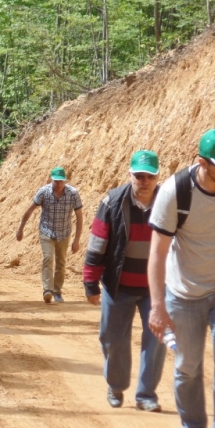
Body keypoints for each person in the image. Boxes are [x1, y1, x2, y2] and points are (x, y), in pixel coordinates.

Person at [148, 128, 215, 428]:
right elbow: (157, 253)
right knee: (187, 366)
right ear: (202, 162)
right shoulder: (176, 192)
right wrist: (157, 306)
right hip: (184, 291)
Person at [83, 150, 165, 412]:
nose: (144, 181)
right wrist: (90, 282)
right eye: (139, 175)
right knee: (112, 338)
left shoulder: (169, 202)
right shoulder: (112, 201)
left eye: (149, 176)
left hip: (157, 288)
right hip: (118, 285)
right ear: (130, 174)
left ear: (157, 176)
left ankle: (146, 394)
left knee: (157, 340)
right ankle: (116, 386)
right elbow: (98, 242)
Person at [16, 166, 84, 303]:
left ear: (65, 181)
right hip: (46, 231)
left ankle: (57, 291)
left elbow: (79, 217)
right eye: (55, 181)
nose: (58, 184)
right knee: (48, 258)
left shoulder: (73, 193)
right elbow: (30, 210)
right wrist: (21, 228)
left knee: (61, 262)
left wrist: (77, 240)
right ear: (50, 180)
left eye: (61, 181)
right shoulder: (43, 192)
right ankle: (47, 289)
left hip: (64, 232)